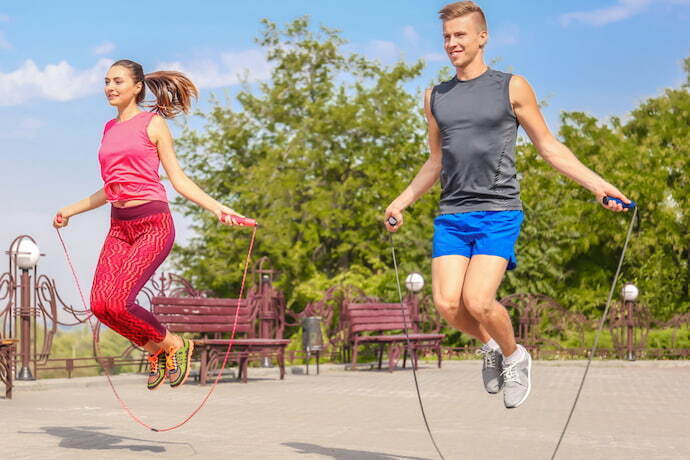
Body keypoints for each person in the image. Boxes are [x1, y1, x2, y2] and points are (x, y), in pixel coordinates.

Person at [384, 2, 632, 408]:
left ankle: (516, 355)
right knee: (448, 305)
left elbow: (548, 146)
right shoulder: (435, 97)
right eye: (447, 37)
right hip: (452, 213)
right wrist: (402, 201)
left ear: (482, 37)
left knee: (478, 301)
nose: (452, 43)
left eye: (460, 35)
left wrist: (598, 186)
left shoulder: (511, 86)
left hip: (498, 210)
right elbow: (436, 160)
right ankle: (493, 347)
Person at [53, 59, 245, 390]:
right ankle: (155, 349)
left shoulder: (153, 124)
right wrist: (70, 210)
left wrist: (217, 208)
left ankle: (175, 344)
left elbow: (178, 178)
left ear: (137, 86)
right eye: (106, 82)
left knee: (119, 301)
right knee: (101, 305)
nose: (110, 87)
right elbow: (112, 187)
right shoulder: (108, 128)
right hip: (119, 227)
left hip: (152, 225)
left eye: (117, 81)